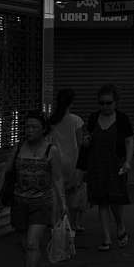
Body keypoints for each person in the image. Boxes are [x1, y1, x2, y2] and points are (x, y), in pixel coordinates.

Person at [2, 109, 67, 267]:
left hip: (41, 203)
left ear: (43, 130)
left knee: (32, 243)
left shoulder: (51, 151)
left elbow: (57, 178)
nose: (29, 130)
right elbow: (7, 171)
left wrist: (62, 204)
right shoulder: (19, 147)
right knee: (26, 246)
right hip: (19, 202)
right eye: (27, 126)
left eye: (34, 127)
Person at [81, 83, 134, 252]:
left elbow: (129, 140)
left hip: (116, 164)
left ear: (115, 102)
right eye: (101, 103)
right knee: (101, 201)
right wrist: (86, 141)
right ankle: (106, 239)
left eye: (108, 103)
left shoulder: (122, 119)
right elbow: (87, 138)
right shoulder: (93, 118)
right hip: (97, 164)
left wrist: (128, 161)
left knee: (115, 199)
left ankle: (120, 225)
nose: (105, 106)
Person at [49, 87, 86, 232]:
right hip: (73, 161)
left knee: (59, 193)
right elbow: (80, 142)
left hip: (56, 160)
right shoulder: (76, 120)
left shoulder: (52, 120)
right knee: (76, 193)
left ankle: (58, 223)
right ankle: (74, 224)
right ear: (72, 103)